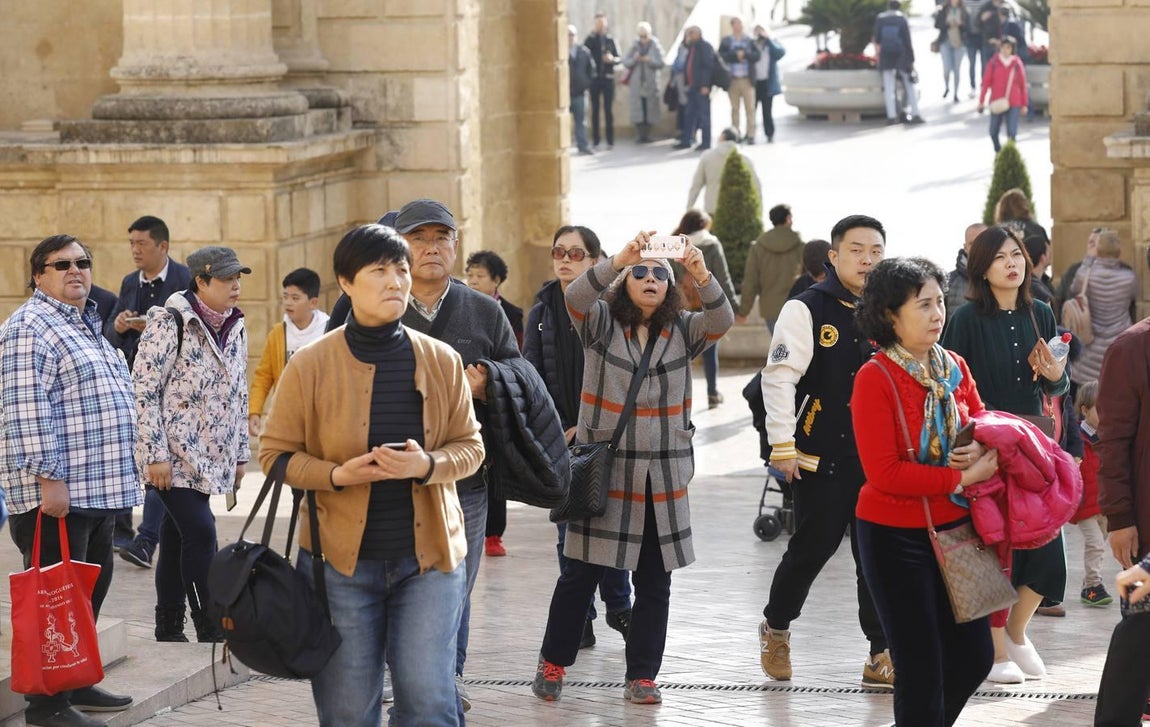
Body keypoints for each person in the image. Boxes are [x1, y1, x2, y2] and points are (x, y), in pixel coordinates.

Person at [259, 224, 484, 727]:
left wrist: (426, 465)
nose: (395, 281)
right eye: (379, 271)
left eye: (401, 269)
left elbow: (471, 448)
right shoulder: (310, 365)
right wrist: (337, 474)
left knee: (429, 705)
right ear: (346, 283)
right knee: (347, 711)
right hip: (339, 567)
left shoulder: (442, 360)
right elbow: (274, 455)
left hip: (430, 564)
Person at [531, 231, 733, 704]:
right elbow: (576, 297)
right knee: (579, 576)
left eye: (659, 274)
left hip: (662, 478)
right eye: (639, 273)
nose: (649, 279)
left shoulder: (684, 330)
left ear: (670, 287)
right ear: (625, 282)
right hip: (608, 473)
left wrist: (701, 273)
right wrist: (618, 260)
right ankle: (553, 662)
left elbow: (721, 319)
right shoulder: (600, 323)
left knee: (655, 584)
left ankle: (642, 675)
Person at [0, 235, 140, 727]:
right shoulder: (29, 327)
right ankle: (47, 706)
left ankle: (75, 679)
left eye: (82, 262)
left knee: (83, 595)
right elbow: (25, 408)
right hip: (58, 493)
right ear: (38, 275)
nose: (75, 270)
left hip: (96, 490)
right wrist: (49, 479)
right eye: (61, 264)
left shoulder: (84, 323)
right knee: (54, 601)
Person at [852, 256, 998, 727]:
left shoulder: (953, 366)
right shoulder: (875, 377)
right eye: (924, 305)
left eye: (940, 302)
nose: (938, 314)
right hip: (894, 537)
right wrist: (960, 479)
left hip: (959, 529)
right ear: (890, 315)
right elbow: (884, 473)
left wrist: (978, 448)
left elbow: (981, 420)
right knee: (920, 667)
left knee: (975, 656)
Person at [393, 198, 521, 716]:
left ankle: (447, 677)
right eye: (418, 239)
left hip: (464, 479)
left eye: (440, 238)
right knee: (399, 581)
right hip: (389, 477)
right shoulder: (376, 303)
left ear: (455, 244)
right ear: (399, 246)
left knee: (453, 586)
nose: (431, 248)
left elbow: (520, 374)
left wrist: (490, 382)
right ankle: (406, 677)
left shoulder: (483, 310)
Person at [758, 215, 894, 688]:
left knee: (875, 558)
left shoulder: (891, 308)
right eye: (856, 250)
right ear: (833, 257)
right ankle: (776, 627)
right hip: (821, 456)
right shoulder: (806, 308)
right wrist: (783, 445)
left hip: (878, 461)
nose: (867, 260)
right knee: (811, 549)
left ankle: (880, 653)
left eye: (875, 251)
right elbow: (779, 379)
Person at [941, 225, 1070, 684]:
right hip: (988, 446)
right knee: (995, 548)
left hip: (1033, 445)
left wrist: (1054, 375)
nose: (1011, 264)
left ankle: (1016, 633)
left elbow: (1057, 387)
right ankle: (994, 652)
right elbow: (951, 390)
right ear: (982, 268)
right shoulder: (965, 320)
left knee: (1048, 550)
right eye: (999, 258)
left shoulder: (1041, 312)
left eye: (1016, 255)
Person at [132, 246, 250, 644]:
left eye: (238, 277)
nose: (236, 285)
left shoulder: (236, 325)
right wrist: (155, 456)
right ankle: (209, 623)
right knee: (201, 532)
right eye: (227, 278)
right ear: (201, 281)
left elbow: (239, 393)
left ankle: (168, 626)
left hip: (211, 458)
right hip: (172, 458)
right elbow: (143, 391)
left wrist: (240, 454)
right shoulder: (170, 323)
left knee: (176, 535)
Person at [523, 225, 633, 649]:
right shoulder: (541, 312)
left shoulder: (614, 308)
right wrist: (559, 429)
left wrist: (591, 425)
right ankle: (580, 617)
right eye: (559, 252)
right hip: (562, 439)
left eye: (575, 253)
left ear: (595, 260)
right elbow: (532, 379)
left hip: (608, 435)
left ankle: (619, 608)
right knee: (568, 530)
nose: (565, 260)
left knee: (611, 526)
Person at [105, 215, 192, 568]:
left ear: (162, 246)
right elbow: (112, 335)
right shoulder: (130, 282)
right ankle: (126, 533)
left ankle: (148, 539)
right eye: (132, 244)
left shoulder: (184, 279)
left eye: (141, 243)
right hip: (136, 385)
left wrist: (156, 328)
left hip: (174, 387)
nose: (135, 250)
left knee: (162, 460)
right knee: (132, 455)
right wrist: (120, 325)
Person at [464, 249, 523, 557]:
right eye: (470, 275)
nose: (473, 281)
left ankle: (493, 534)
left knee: (495, 468)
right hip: (466, 400)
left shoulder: (512, 314)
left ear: (496, 280)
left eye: (480, 276)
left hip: (495, 399)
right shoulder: (460, 308)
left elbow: (517, 357)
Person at [249, 268, 330, 438]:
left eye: (295, 298)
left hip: (322, 415)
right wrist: (254, 411)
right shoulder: (278, 333)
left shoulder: (330, 331)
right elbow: (263, 376)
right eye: (285, 297)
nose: (288, 303)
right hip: (287, 414)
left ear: (313, 302)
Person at [671, 209, 738, 408]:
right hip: (707, 305)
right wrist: (733, 306)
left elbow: (669, 277)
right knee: (710, 351)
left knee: (677, 353)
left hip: (681, 306)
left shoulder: (676, 244)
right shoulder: (712, 244)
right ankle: (712, 393)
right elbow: (723, 278)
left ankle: (677, 397)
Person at [1067, 230, 1137, 387]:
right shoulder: (1130, 278)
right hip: (1118, 350)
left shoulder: (1084, 275)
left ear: (1097, 249)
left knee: (1087, 398)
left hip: (1088, 354)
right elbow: (1134, 298)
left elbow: (1074, 289)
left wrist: (1089, 258)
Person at [1070, 380, 1113, 606]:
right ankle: (1093, 586)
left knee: (1100, 544)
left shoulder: (1111, 437)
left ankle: (1088, 584)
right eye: (1099, 408)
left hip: (1105, 503)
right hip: (1084, 503)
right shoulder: (1077, 439)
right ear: (1085, 410)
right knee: (1095, 543)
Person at [737, 203, 804, 332]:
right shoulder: (800, 246)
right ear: (788, 218)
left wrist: (743, 312)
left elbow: (751, 281)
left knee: (779, 343)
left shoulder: (758, 246)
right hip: (796, 306)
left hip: (770, 309)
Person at [686, 127, 762, 215]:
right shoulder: (745, 158)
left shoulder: (707, 157)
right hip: (738, 210)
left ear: (722, 137)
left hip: (713, 209)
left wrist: (689, 208)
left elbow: (696, 185)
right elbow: (757, 186)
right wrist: (759, 211)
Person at [874, 0, 924, 125]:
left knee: (889, 87)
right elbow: (907, 40)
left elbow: (878, 39)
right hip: (902, 55)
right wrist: (911, 60)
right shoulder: (902, 19)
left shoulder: (881, 18)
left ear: (888, 6)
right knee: (909, 85)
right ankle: (915, 113)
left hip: (886, 55)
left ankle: (891, 116)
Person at [978, 37, 1028, 153]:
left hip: (1014, 102)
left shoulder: (1017, 64)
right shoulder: (994, 63)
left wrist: (1024, 104)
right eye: (1003, 47)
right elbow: (985, 83)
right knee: (993, 131)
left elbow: (1023, 85)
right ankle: (998, 151)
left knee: (1012, 132)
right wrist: (981, 101)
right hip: (997, 100)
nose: (1005, 50)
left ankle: (1010, 155)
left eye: (1008, 48)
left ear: (1012, 49)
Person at [719, 17, 761, 144]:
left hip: (747, 79)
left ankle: (751, 134)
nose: (739, 26)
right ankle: (735, 134)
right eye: (737, 24)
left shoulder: (749, 41)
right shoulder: (727, 41)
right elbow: (721, 56)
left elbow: (757, 56)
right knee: (735, 109)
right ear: (732, 26)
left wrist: (745, 54)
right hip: (733, 79)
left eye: (740, 24)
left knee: (750, 109)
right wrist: (736, 55)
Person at [674, 26, 717, 151]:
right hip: (692, 86)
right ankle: (686, 140)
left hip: (701, 87)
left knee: (704, 116)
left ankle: (706, 142)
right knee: (689, 114)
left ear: (698, 34)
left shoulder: (705, 47)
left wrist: (705, 85)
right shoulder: (691, 47)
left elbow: (708, 67)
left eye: (691, 33)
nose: (689, 36)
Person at [622, 22, 665, 144]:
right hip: (637, 85)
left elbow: (661, 63)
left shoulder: (655, 46)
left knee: (650, 110)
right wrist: (634, 59)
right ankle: (640, 135)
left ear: (649, 35)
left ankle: (647, 135)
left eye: (645, 36)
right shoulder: (634, 46)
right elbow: (625, 61)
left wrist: (650, 60)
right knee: (638, 110)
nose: (643, 39)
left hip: (651, 84)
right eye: (640, 36)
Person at [584, 13, 619, 150]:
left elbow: (619, 58)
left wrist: (612, 59)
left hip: (608, 79)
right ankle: (596, 140)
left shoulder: (610, 40)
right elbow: (584, 56)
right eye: (598, 23)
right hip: (595, 80)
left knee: (608, 110)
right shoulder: (590, 40)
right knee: (595, 110)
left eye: (602, 23)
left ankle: (610, 140)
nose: (600, 26)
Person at [751, 24, 786, 144]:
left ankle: (769, 134)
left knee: (767, 111)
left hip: (767, 83)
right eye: (757, 31)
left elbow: (780, 53)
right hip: (754, 83)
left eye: (761, 31)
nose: (759, 34)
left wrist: (768, 39)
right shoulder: (752, 44)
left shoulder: (771, 43)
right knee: (751, 111)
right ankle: (751, 134)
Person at [946, 223, 986, 317]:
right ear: (965, 248)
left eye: (982, 242)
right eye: (972, 243)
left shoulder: (1006, 277)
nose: (977, 247)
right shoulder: (949, 281)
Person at [567, 25, 595, 155]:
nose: (570, 38)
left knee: (581, 121)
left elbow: (592, 69)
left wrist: (587, 83)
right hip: (564, 94)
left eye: (572, 35)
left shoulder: (584, 52)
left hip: (579, 93)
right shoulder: (558, 51)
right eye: (568, 35)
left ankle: (582, 145)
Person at [936, 0, 971, 102]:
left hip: (959, 43)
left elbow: (969, 28)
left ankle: (956, 93)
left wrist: (961, 24)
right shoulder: (944, 10)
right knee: (947, 68)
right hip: (946, 42)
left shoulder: (964, 10)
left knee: (956, 69)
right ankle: (947, 87)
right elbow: (937, 24)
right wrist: (947, 24)